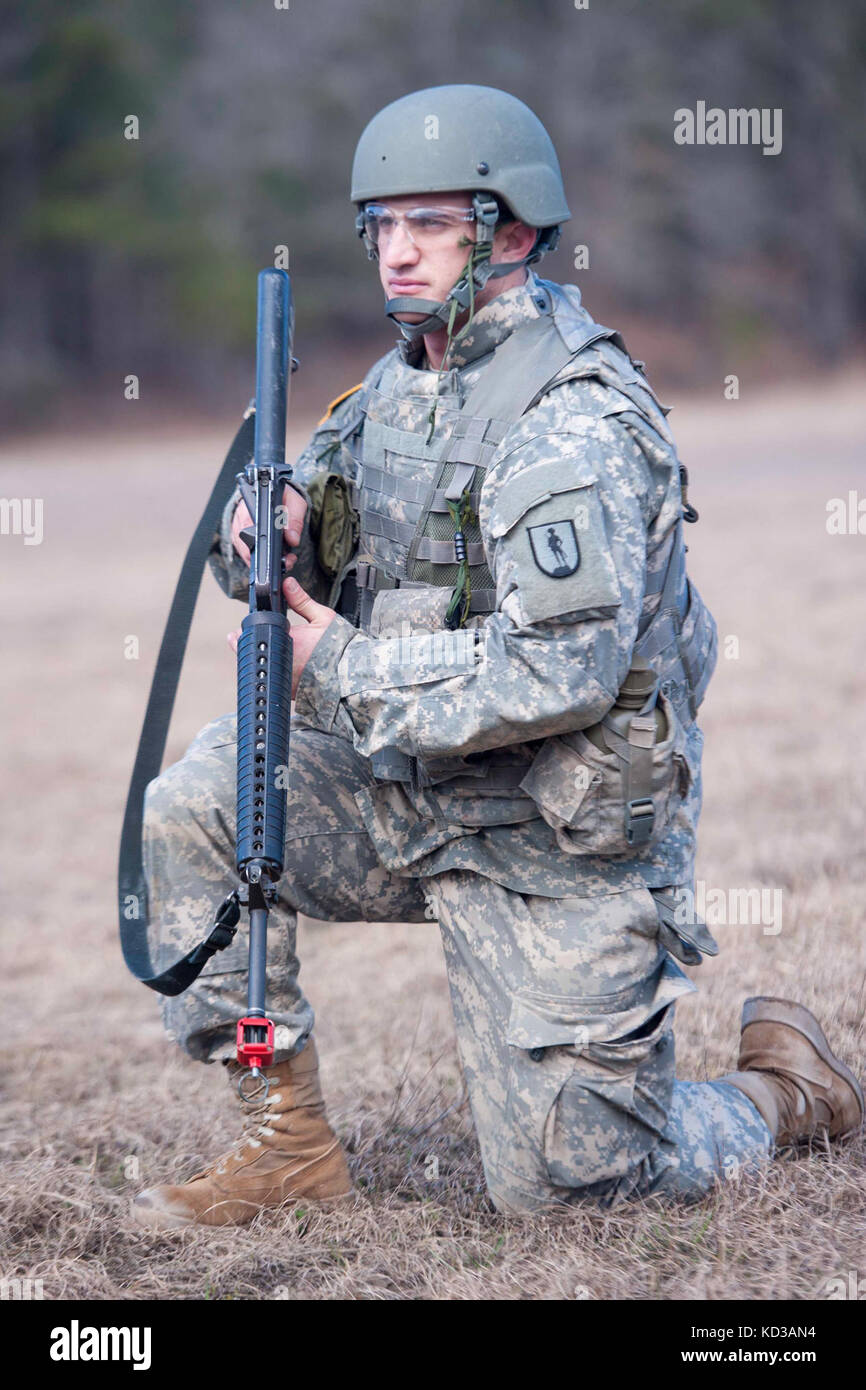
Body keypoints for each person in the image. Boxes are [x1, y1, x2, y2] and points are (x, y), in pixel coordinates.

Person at [132, 86, 862, 1228]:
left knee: (572, 1188)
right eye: (379, 224)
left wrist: (347, 669)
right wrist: (260, 534)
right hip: (406, 788)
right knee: (196, 810)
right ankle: (285, 1142)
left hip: (547, 830)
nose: (397, 251)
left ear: (509, 233)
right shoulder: (401, 380)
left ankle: (781, 1090)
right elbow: (309, 535)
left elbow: (558, 672)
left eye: (429, 223)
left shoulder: (573, 422)